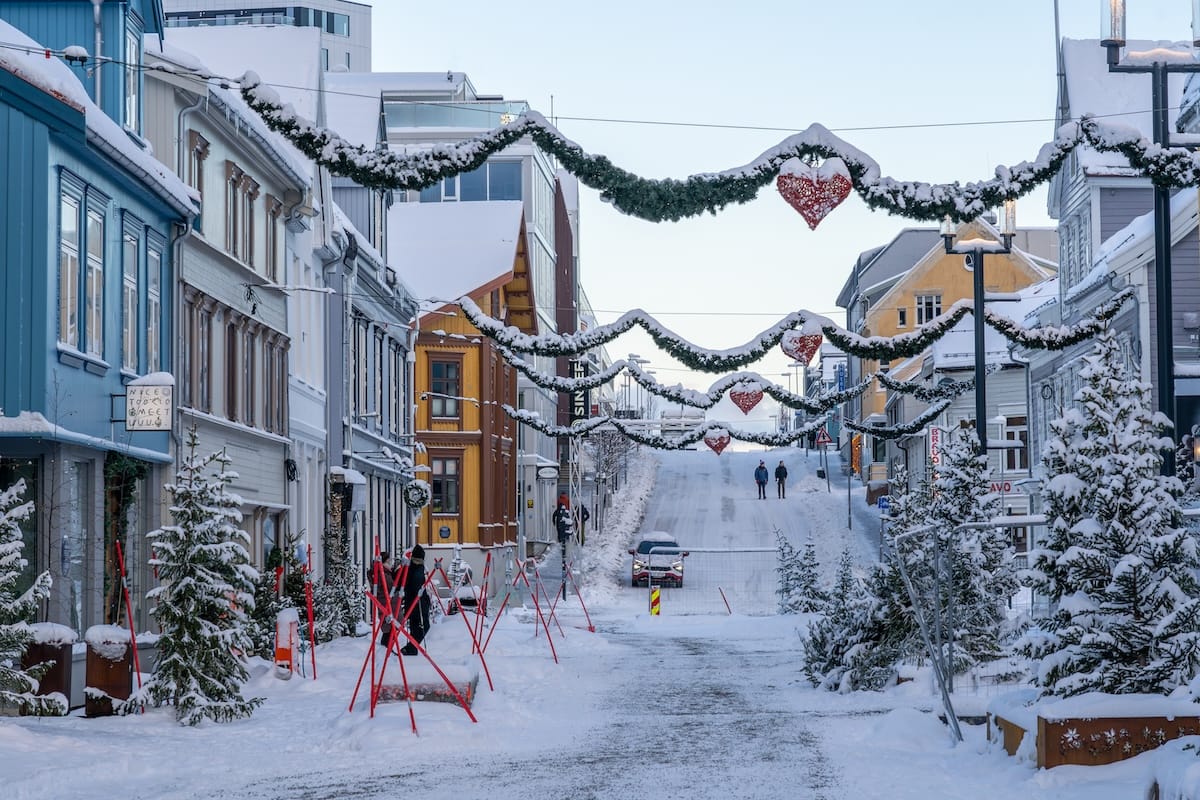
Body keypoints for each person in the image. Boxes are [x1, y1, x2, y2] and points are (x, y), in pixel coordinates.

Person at [400, 544, 429, 656]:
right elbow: (416, 585)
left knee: (415, 627)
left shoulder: (411, 567)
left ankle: (412, 648)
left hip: (412, 602)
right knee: (423, 626)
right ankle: (411, 647)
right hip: (417, 603)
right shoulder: (416, 569)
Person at [373, 552, 397, 647]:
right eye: (388, 560)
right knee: (389, 626)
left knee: (391, 626)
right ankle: (385, 648)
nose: (390, 562)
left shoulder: (386, 572)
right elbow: (389, 586)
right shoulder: (382, 573)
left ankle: (387, 648)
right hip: (386, 602)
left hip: (388, 601)